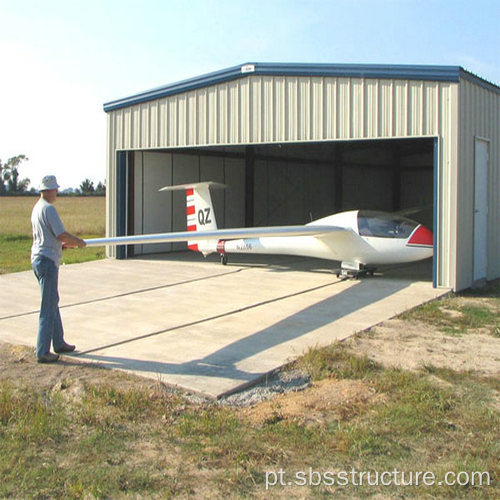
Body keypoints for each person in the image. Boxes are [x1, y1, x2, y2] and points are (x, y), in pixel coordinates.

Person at [31, 175, 87, 363]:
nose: (57, 192)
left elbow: (47, 237)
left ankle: (59, 342)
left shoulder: (37, 208)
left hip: (40, 258)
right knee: (48, 306)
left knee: (52, 301)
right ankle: (43, 352)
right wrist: (78, 242)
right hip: (47, 261)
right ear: (48, 190)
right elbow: (60, 233)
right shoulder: (49, 209)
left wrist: (60, 246)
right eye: (55, 189)